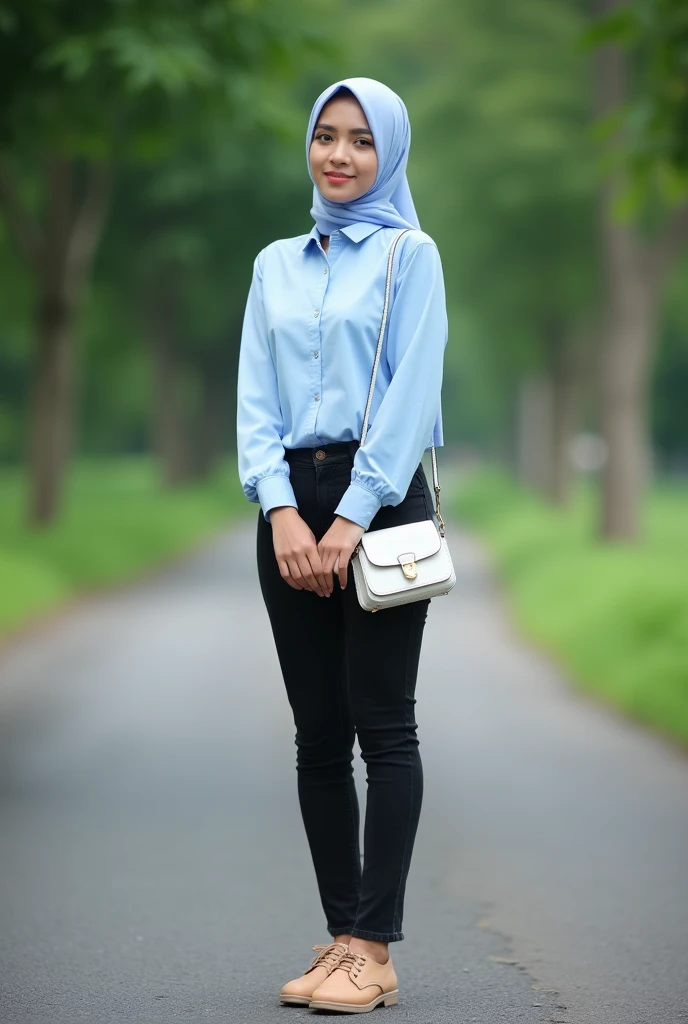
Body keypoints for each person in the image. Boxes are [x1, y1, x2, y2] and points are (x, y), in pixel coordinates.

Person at [236, 76, 448, 1014]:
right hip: (290, 499)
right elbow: (253, 399)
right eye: (325, 136)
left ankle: (376, 945)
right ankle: (339, 936)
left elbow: (407, 398)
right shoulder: (274, 263)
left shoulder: (411, 255)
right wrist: (282, 509)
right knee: (317, 735)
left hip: (382, 499)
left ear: (388, 152)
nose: (339, 155)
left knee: (383, 725)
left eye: (361, 140)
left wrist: (350, 519)